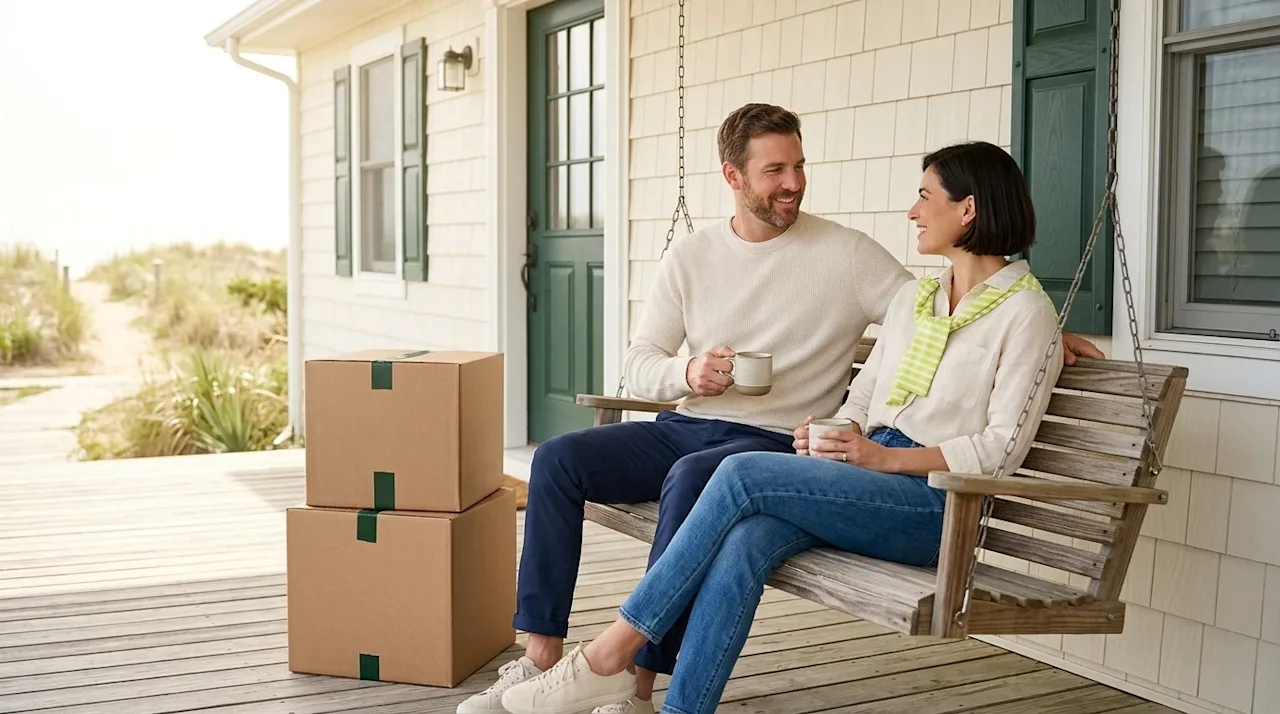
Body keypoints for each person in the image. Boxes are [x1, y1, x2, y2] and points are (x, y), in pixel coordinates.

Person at [457, 104, 1099, 714]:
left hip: (928, 498)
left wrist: (1044, 332)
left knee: (729, 475)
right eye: (776, 169)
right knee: (729, 535)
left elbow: (999, 446)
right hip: (822, 461)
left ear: (968, 209)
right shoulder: (920, 299)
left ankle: (611, 659)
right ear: (734, 176)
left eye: (924, 197)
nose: (911, 211)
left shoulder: (1011, 309)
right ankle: (647, 695)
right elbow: (869, 391)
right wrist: (827, 428)